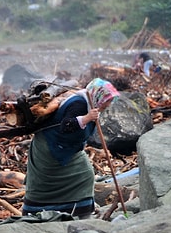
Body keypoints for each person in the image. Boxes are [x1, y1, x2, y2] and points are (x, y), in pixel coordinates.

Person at [22, 78, 120, 219]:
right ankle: (45, 210)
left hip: (66, 147)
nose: (109, 104)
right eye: (107, 100)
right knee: (71, 177)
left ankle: (79, 210)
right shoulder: (79, 104)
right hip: (50, 149)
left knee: (85, 174)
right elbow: (66, 126)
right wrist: (87, 118)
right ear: (97, 95)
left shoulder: (89, 103)